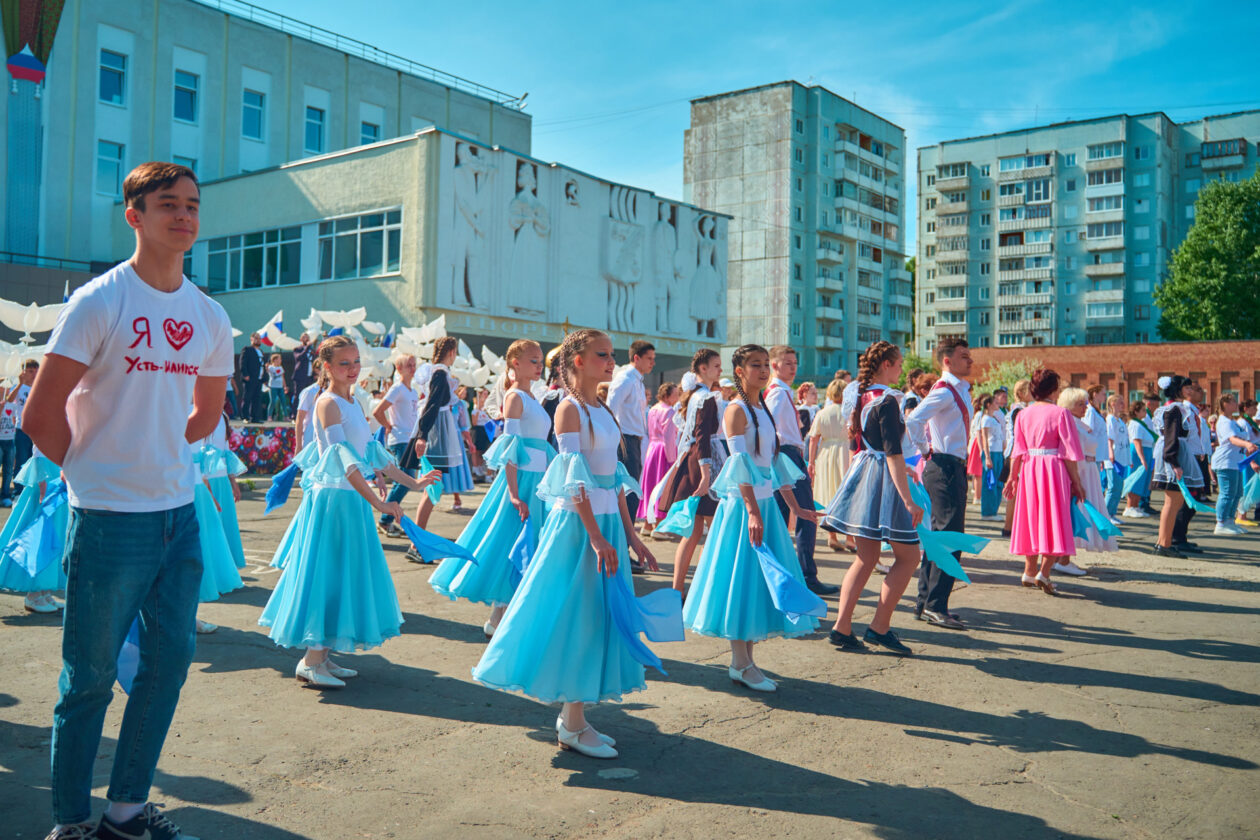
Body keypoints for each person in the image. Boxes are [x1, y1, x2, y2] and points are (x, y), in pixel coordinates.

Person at [24, 161, 232, 840]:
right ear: (133, 215)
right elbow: (39, 414)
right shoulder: (100, 301)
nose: (185, 216)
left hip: (179, 517)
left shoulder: (209, 314)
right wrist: (95, 471)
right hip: (109, 519)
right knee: (86, 679)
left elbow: (206, 414)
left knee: (167, 668)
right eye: (168, 204)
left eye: (193, 206)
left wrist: (158, 450)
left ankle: (125, 810)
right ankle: (71, 822)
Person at [472, 328, 668, 760]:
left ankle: (576, 717)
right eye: (603, 355)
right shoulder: (568, 410)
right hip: (579, 530)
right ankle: (572, 723)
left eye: (612, 355)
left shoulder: (601, 407)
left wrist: (632, 535)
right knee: (578, 616)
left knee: (598, 617)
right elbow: (574, 481)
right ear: (578, 360)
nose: (611, 361)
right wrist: (596, 537)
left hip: (605, 528)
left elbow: (613, 479)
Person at [258, 336, 440, 687]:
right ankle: (311, 660)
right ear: (326, 367)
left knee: (343, 576)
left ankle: (323, 657)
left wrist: (414, 483)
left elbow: (373, 454)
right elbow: (343, 460)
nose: (353, 369)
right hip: (334, 503)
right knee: (328, 575)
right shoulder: (326, 403)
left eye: (356, 362)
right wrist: (378, 502)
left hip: (350, 501)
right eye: (344, 363)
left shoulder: (354, 401)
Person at [684, 344, 822, 689]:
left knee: (758, 584)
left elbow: (774, 462)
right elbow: (739, 465)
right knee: (741, 583)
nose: (763, 370)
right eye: (755, 365)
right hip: (743, 508)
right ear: (740, 371)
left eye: (765, 364)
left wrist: (793, 505)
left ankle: (744, 662)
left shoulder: (762, 407)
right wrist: (751, 511)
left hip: (764, 506)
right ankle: (741, 664)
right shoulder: (735, 410)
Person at [430, 340, 555, 635]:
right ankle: (502, 617)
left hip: (537, 481)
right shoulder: (515, 398)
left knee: (524, 546)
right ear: (515, 364)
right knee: (510, 543)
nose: (540, 366)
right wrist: (513, 492)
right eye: (534, 360)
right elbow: (510, 448)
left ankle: (499, 618)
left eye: (541, 361)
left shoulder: (531, 396)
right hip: (522, 481)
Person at [822, 341, 923, 654]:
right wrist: (908, 499)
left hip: (863, 472)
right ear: (886, 365)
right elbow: (891, 452)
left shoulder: (862, 396)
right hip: (881, 478)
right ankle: (879, 627)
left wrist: (903, 467)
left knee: (865, 557)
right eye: (899, 363)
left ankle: (842, 627)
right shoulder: (889, 399)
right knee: (909, 557)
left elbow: (867, 445)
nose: (902, 368)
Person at [904, 337, 973, 630]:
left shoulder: (957, 390)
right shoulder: (945, 391)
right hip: (943, 466)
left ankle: (926, 602)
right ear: (947, 360)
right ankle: (935, 605)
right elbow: (913, 420)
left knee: (939, 537)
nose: (970, 360)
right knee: (949, 538)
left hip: (950, 466)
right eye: (964, 356)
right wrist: (925, 450)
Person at [1003, 369, 1087, 596]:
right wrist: (1077, 482)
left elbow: (1017, 451)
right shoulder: (1061, 414)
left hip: (1030, 468)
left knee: (1031, 518)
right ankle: (1044, 573)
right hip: (1053, 469)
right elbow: (1069, 454)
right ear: (1053, 389)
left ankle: (1029, 571)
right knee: (1055, 520)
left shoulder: (1023, 414)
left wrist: (1013, 476)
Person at [765, 346, 837, 595]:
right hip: (785, 454)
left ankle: (790, 573)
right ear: (774, 366)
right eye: (787, 363)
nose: (793, 367)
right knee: (805, 515)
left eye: (794, 362)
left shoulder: (782, 392)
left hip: (787, 454)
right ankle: (806, 575)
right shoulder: (777, 393)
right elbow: (768, 428)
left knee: (786, 516)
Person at [658, 350, 724, 592]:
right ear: (702, 369)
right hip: (702, 464)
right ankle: (703, 591)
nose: (720, 370)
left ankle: (678, 589)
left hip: (691, 461)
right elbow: (702, 435)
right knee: (714, 529)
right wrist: (707, 474)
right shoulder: (705, 397)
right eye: (716, 365)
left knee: (694, 531)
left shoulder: (694, 395)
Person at [401, 337, 464, 534]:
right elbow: (432, 404)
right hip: (436, 433)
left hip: (437, 432)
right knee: (432, 485)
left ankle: (418, 540)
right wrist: (423, 435)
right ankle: (416, 541)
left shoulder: (437, 372)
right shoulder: (439, 373)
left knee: (433, 485)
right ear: (452, 352)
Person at [0, 444, 68, 613]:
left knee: (55, 534)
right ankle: (34, 595)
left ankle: (44, 592)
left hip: (56, 472)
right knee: (41, 535)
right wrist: (42, 484)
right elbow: (39, 447)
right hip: (47, 474)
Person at [1059, 387, 1116, 565]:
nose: (1085, 407)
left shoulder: (1079, 423)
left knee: (1085, 512)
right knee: (1077, 512)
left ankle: (1065, 558)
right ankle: (1063, 559)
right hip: (1080, 470)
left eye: (1085, 403)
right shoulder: (1071, 424)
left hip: (1089, 469)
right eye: (1079, 404)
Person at [1150, 375, 1205, 557]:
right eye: (1186, 387)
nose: (1189, 390)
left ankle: (1163, 542)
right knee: (1172, 502)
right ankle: (1164, 544)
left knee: (1175, 502)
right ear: (1177, 390)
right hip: (1175, 455)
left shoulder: (1177, 408)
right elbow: (1170, 437)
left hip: (1178, 453)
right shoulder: (1174, 409)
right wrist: (1174, 462)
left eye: (1190, 387)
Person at [374, 353, 421, 537]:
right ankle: (386, 519)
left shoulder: (413, 391)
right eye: (409, 365)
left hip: (410, 440)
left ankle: (387, 518)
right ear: (399, 368)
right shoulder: (397, 389)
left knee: (407, 480)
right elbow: (378, 411)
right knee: (406, 479)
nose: (413, 368)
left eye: (414, 364)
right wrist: (387, 426)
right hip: (399, 439)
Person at [607, 340, 654, 525]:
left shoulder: (637, 381)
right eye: (649, 358)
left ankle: (625, 544)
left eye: (653, 359)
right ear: (636, 358)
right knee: (627, 493)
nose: (652, 363)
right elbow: (610, 408)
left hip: (635, 440)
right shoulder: (625, 378)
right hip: (624, 440)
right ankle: (623, 544)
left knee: (633, 491)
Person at [199, 412, 246, 570]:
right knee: (211, 525)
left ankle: (227, 566)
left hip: (222, 480)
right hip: (206, 480)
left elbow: (226, 451)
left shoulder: (223, 416)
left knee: (226, 523)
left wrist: (233, 483)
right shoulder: (198, 414)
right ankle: (213, 567)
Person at [808, 377, 849, 552]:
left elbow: (813, 439)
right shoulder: (849, 412)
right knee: (847, 491)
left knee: (828, 492)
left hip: (826, 453)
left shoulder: (822, 412)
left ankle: (832, 536)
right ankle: (850, 537)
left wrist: (811, 461)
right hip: (846, 451)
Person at [1212, 393, 1256, 535]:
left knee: (1237, 493)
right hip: (1225, 462)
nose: (1236, 404)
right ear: (1224, 404)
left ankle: (1230, 521)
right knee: (1227, 493)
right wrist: (1247, 444)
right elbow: (1232, 439)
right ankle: (1221, 523)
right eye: (1232, 401)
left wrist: (1246, 449)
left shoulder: (1233, 422)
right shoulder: (1224, 421)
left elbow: (1238, 440)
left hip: (1235, 461)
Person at [638, 382, 680, 529]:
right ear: (668, 395)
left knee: (651, 483)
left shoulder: (653, 409)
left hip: (652, 448)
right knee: (663, 485)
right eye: (676, 394)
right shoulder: (669, 411)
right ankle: (659, 523)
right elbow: (669, 436)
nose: (678, 396)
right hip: (664, 450)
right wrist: (672, 458)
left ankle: (648, 524)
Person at [1000, 379, 1032, 537]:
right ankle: (1009, 527)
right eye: (1028, 389)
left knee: (1015, 492)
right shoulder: (1019, 410)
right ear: (1020, 393)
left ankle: (1010, 527)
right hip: (1016, 453)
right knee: (1014, 492)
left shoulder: (1016, 409)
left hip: (1014, 452)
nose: (1032, 392)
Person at [4, 359, 37, 478]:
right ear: (23, 373)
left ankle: (30, 488)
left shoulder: (39, 386)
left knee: (33, 460)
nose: (34, 375)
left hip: (36, 430)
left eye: (36, 371)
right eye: (30, 371)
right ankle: (17, 490)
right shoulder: (18, 387)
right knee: (20, 460)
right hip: (21, 429)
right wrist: (20, 383)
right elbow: (9, 399)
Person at [1124, 399, 1156, 518]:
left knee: (1143, 480)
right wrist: (1142, 458)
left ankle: (1136, 506)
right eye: (1143, 410)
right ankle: (1130, 506)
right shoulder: (1135, 424)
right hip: (1139, 453)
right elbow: (1137, 442)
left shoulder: (1141, 423)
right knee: (1136, 479)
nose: (1145, 412)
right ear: (1136, 412)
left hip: (1146, 451)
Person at [1103, 395, 1131, 521]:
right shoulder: (1110, 419)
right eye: (1120, 402)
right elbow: (1109, 438)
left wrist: (1129, 459)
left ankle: (1113, 513)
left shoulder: (1120, 420)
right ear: (1113, 404)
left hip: (1122, 458)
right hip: (1114, 458)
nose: (1123, 404)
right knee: (1113, 487)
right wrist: (1110, 453)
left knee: (1119, 488)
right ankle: (1106, 515)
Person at [978, 395, 1005, 521]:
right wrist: (987, 457)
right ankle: (988, 512)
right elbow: (984, 439)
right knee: (990, 482)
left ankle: (993, 510)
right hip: (991, 453)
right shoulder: (986, 419)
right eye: (995, 401)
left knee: (999, 482)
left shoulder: (994, 418)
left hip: (998, 452)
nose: (997, 403)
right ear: (988, 404)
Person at [239, 332, 266, 422]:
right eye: (256, 338)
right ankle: (245, 417)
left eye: (259, 338)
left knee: (257, 399)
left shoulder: (261, 352)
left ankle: (255, 418)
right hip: (250, 378)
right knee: (247, 398)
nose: (258, 340)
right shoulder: (247, 349)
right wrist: (245, 374)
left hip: (259, 379)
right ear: (251, 339)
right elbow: (242, 362)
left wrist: (264, 378)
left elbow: (262, 365)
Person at [0, 390, 15, 508]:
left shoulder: (12, 404)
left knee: (8, 470)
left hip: (10, 440)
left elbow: (15, 419)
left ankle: (5, 496)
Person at [292, 332, 316, 401]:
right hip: (300, 376)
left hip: (309, 377)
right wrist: (307, 347)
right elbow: (299, 358)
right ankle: (295, 411)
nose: (307, 339)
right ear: (301, 339)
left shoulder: (311, 350)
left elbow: (314, 361)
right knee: (299, 395)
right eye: (305, 337)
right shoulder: (297, 349)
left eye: (308, 337)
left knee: (310, 395)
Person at [265, 353, 289, 421]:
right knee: (272, 401)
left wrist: (285, 386)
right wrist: (266, 367)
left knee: (283, 401)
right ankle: (269, 416)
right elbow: (267, 370)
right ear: (275, 360)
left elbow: (283, 377)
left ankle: (286, 416)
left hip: (280, 387)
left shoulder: (280, 368)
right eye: (279, 359)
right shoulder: (271, 367)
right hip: (273, 387)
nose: (280, 360)